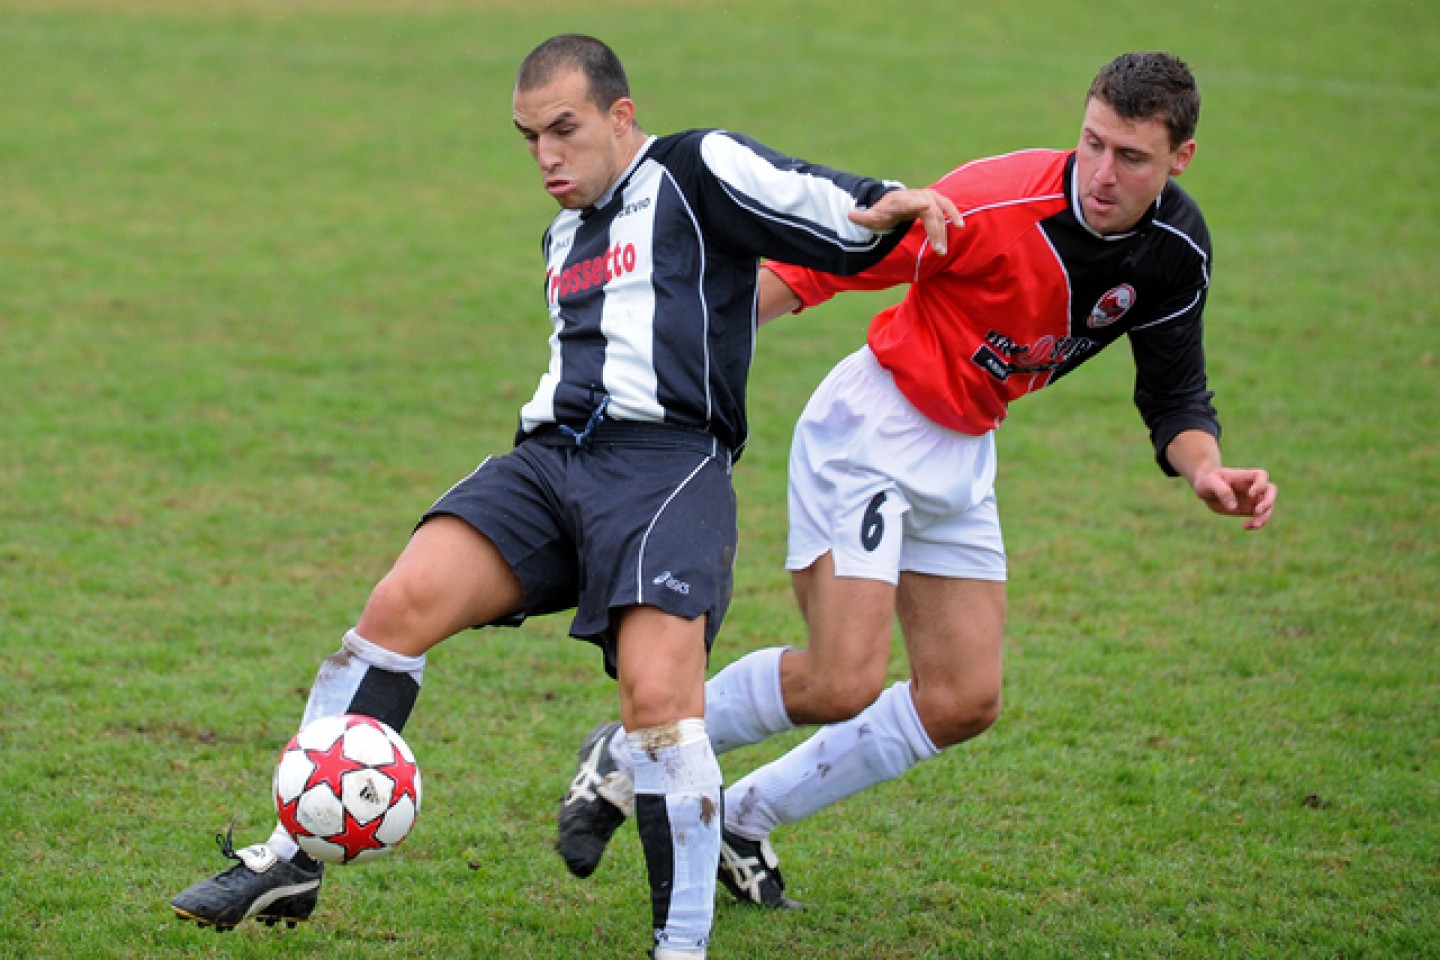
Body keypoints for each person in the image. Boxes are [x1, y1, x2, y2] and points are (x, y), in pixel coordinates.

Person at [166, 33, 957, 959]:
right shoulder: (566, 229)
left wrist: (885, 200)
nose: (546, 156)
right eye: (529, 136)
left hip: (667, 467)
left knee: (659, 700)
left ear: (621, 116)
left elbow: (806, 198)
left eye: (565, 130)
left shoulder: (693, 170)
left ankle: (681, 945)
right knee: (396, 606)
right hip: (550, 464)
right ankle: (290, 856)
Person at [555, 50, 1279, 912]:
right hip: (872, 429)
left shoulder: (1174, 252)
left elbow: (1174, 391)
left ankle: (743, 817)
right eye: (1091, 144)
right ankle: (632, 749)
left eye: (1131, 157)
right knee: (841, 680)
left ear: (1179, 160)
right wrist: (666, 329)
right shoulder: (997, 202)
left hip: (964, 448)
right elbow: (833, 259)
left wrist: (1205, 468)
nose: (1102, 173)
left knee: (965, 698)